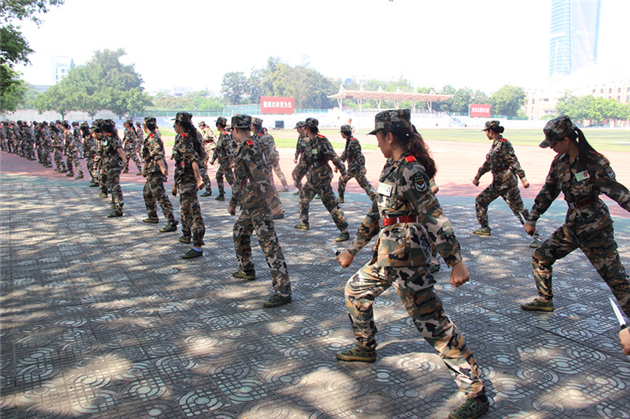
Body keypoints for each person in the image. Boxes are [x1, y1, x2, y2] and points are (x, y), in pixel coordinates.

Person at [335, 109, 489, 419]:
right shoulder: (390, 168)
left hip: (407, 258)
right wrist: (352, 249)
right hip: (386, 255)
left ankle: (476, 393)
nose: (377, 142)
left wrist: (455, 260)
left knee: (433, 325)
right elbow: (376, 213)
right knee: (355, 291)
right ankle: (366, 347)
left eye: (379, 137)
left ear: (389, 136)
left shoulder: (411, 170)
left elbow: (433, 215)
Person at [521, 115, 630, 316]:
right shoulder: (559, 162)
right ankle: (545, 300)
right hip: (573, 227)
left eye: (554, 143)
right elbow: (549, 191)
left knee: (617, 280)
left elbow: (618, 193)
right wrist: (532, 218)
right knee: (541, 256)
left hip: (596, 230)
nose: (552, 148)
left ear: (566, 140)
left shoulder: (594, 162)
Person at [228, 114, 292, 308]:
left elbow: (262, 177)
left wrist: (274, 203)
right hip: (249, 203)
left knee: (269, 245)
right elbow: (241, 180)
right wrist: (233, 203)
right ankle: (246, 269)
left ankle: (283, 291)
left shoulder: (250, 147)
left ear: (235, 130)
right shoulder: (247, 146)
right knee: (240, 232)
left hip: (259, 203)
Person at [472, 120, 541, 248]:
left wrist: (523, 178)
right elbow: (488, 164)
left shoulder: (504, 144)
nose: (486, 134)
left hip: (507, 183)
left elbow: (513, 161)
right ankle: (485, 228)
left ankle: (537, 237)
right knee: (481, 200)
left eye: (486, 131)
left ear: (490, 131)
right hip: (498, 183)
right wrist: (478, 176)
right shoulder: (495, 145)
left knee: (519, 210)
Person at [293, 117, 351, 242]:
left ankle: (344, 231)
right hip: (312, 177)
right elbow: (305, 163)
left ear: (307, 128)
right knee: (303, 198)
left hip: (322, 177)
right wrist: (298, 178)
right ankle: (304, 222)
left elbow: (334, 157)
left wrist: (343, 171)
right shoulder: (308, 142)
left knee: (331, 204)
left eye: (304, 128)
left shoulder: (322, 140)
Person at [171, 112, 206, 259]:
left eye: (175, 123)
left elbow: (193, 159)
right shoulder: (181, 137)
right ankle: (188, 236)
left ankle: (197, 246)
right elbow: (180, 164)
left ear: (179, 124)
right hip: (183, 180)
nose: (173, 126)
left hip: (188, 181)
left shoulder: (186, 138)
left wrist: (198, 179)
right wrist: (175, 185)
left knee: (192, 212)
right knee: (186, 211)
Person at [141, 117, 178, 233]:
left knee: (160, 196)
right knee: (147, 192)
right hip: (151, 169)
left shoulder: (152, 138)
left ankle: (171, 221)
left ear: (145, 126)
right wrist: (144, 169)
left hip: (155, 170)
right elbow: (149, 156)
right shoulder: (151, 136)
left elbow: (157, 154)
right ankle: (152, 216)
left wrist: (162, 168)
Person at [337, 124, 376, 203]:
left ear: (343, 133)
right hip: (352, 167)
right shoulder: (349, 141)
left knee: (365, 185)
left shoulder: (353, 141)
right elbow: (345, 155)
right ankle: (341, 198)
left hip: (355, 168)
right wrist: (338, 164)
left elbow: (359, 155)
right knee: (343, 180)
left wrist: (363, 166)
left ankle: (376, 200)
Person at [252, 118, 289, 192]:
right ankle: (285, 186)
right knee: (278, 171)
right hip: (274, 155)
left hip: (267, 157)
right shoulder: (268, 136)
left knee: (268, 173)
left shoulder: (256, 137)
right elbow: (272, 146)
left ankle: (271, 189)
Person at [100, 120, 127, 217]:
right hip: (108, 164)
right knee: (112, 185)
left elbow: (118, 149)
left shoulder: (113, 138)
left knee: (114, 186)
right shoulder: (106, 137)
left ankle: (118, 208)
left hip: (114, 164)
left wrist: (124, 159)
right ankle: (116, 203)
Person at [210, 117, 236, 201]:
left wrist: (231, 162)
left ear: (218, 125)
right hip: (222, 161)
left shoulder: (225, 136)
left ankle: (238, 197)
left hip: (226, 161)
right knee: (218, 175)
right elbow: (218, 149)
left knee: (230, 179)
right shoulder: (221, 136)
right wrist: (213, 159)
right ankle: (221, 194)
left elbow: (229, 150)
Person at [197, 121, 215, 197]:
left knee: (203, 172)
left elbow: (213, 137)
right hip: (202, 153)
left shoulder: (198, 133)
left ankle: (208, 190)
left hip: (203, 153)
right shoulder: (200, 133)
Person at [292, 121, 308, 195]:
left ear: (302, 128)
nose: (297, 130)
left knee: (311, 177)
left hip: (308, 160)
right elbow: (298, 148)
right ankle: (301, 190)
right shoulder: (300, 136)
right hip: (302, 159)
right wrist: (296, 157)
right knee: (295, 173)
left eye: (298, 128)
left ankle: (319, 192)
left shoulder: (308, 136)